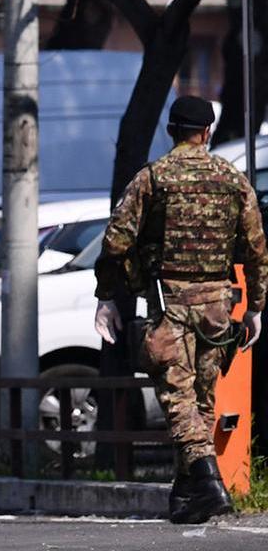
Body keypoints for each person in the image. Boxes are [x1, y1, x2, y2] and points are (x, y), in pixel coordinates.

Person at [93, 95, 266, 525]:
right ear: (206, 132)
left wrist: (107, 296)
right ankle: (189, 495)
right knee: (201, 402)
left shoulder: (153, 178)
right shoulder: (233, 179)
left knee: (177, 399)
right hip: (218, 309)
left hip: (169, 304)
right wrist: (256, 307)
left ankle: (206, 480)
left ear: (171, 130)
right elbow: (258, 250)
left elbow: (115, 241)